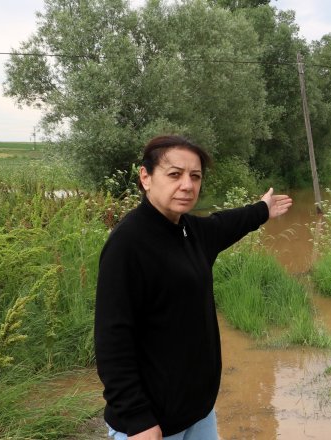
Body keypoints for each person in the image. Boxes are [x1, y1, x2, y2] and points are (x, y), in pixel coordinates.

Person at [94, 135, 292, 439]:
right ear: (146, 178)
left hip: (198, 412)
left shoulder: (188, 230)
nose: (187, 185)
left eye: (195, 176)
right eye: (175, 174)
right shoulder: (128, 244)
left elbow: (225, 224)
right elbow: (112, 339)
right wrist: (137, 420)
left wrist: (262, 210)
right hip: (152, 422)